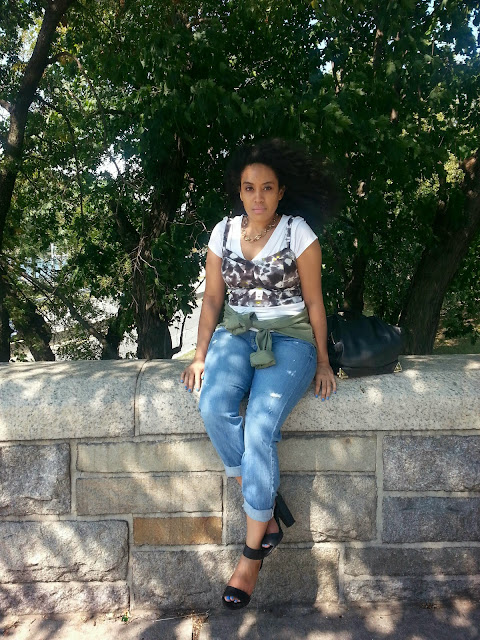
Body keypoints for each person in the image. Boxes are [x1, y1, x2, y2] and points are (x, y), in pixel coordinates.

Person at [181, 139, 337, 610]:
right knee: (212, 405)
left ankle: (250, 557)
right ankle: (264, 510)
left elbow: (315, 302)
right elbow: (213, 299)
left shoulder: (297, 232)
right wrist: (200, 355)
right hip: (235, 336)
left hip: (290, 341)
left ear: (281, 191)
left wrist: (324, 361)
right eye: (249, 188)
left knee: (261, 427)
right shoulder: (223, 233)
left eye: (267, 188)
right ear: (240, 190)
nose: (258, 197)